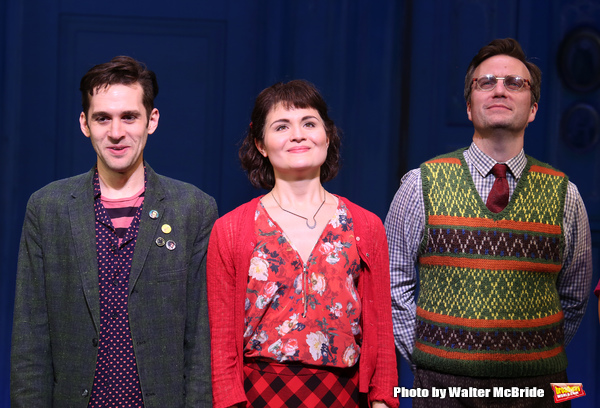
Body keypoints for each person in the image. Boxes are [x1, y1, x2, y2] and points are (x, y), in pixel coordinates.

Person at [385, 38, 592, 407]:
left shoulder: (566, 194)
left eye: (515, 83)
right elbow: (391, 283)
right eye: (486, 82)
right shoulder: (421, 184)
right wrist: (427, 360)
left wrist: (534, 359)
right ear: (469, 106)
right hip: (443, 390)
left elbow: (575, 299)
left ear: (533, 109)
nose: (500, 89)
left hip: (539, 391)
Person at [11, 56, 217, 407]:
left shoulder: (192, 209)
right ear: (84, 123)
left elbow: (201, 340)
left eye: (129, 117)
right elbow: (31, 336)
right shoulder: (48, 208)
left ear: (151, 120)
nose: (116, 132)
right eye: (102, 118)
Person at [207, 80, 398, 408]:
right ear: (261, 144)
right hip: (259, 395)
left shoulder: (366, 226)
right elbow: (222, 339)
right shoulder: (230, 230)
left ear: (327, 136)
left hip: (344, 394)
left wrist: (383, 401)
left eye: (309, 123)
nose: (298, 134)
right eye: (282, 126)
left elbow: (381, 330)